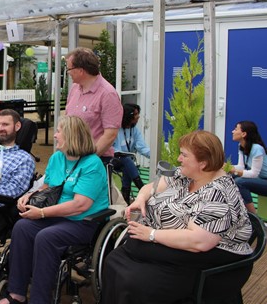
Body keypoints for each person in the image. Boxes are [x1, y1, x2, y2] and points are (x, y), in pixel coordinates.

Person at [101, 130, 253, 304]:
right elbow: (151, 187)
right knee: (115, 260)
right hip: (180, 251)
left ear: (203, 163)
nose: (179, 159)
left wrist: (151, 235)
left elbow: (199, 242)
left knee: (135, 280)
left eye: (184, 155)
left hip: (211, 262)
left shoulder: (218, 194)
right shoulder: (186, 175)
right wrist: (141, 199)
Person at [0, 116, 109, 304]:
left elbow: (79, 205)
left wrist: (41, 213)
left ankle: (40, 300)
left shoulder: (92, 164)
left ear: (72, 136)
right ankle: (16, 293)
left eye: (59, 131)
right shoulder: (58, 158)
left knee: (46, 237)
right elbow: (48, 186)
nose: (55, 135)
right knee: (22, 227)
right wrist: (30, 194)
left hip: (83, 222)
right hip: (57, 216)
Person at [65, 47, 122, 162]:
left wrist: (89, 160)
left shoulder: (107, 94)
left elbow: (110, 134)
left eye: (69, 69)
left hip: (95, 161)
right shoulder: (75, 88)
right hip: (71, 157)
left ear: (80, 70)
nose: (68, 73)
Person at [229, 120, 267, 213]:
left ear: (243, 134)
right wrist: (226, 167)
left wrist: (233, 171)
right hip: (264, 180)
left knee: (240, 182)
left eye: (235, 129)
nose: (233, 131)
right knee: (229, 177)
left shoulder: (257, 148)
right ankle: (235, 210)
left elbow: (254, 174)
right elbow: (241, 167)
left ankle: (254, 217)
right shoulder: (241, 146)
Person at [112, 103, 149, 203]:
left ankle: (126, 199)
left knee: (127, 164)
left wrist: (154, 155)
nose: (138, 116)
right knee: (127, 160)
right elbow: (112, 149)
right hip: (114, 159)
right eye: (136, 114)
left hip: (126, 161)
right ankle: (142, 188)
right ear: (128, 116)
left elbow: (142, 147)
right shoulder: (116, 129)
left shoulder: (134, 130)